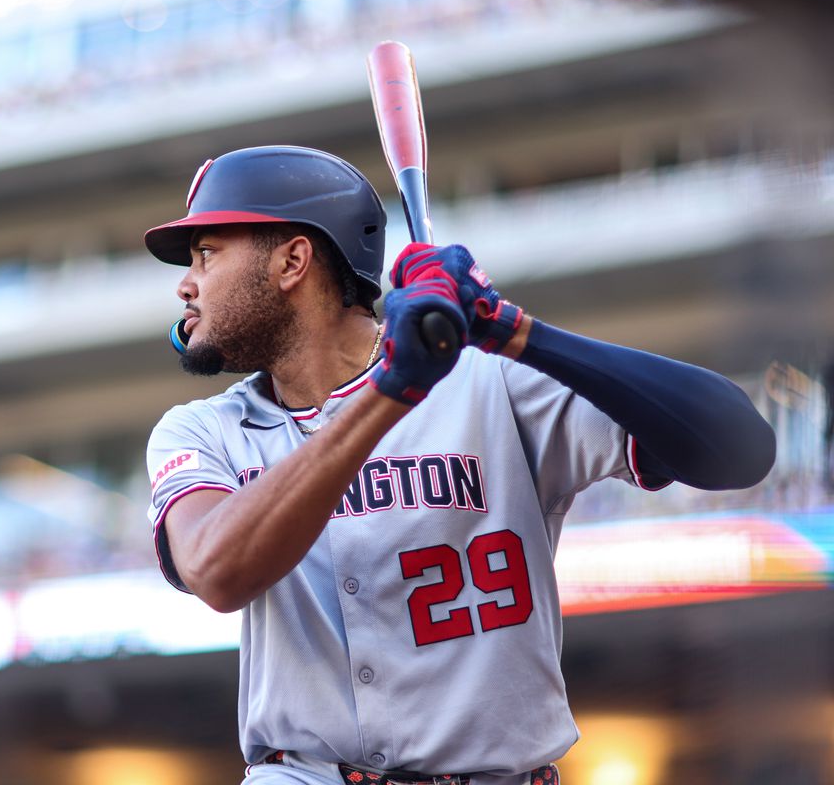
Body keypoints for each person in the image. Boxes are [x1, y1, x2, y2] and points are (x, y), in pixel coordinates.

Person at [142, 146, 775, 785]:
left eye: (206, 254)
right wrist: (394, 391)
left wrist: (515, 331)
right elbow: (217, 572)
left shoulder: (492, 382)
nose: (186, 283)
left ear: (292, 261)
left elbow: (741, 447)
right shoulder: (203, 431)